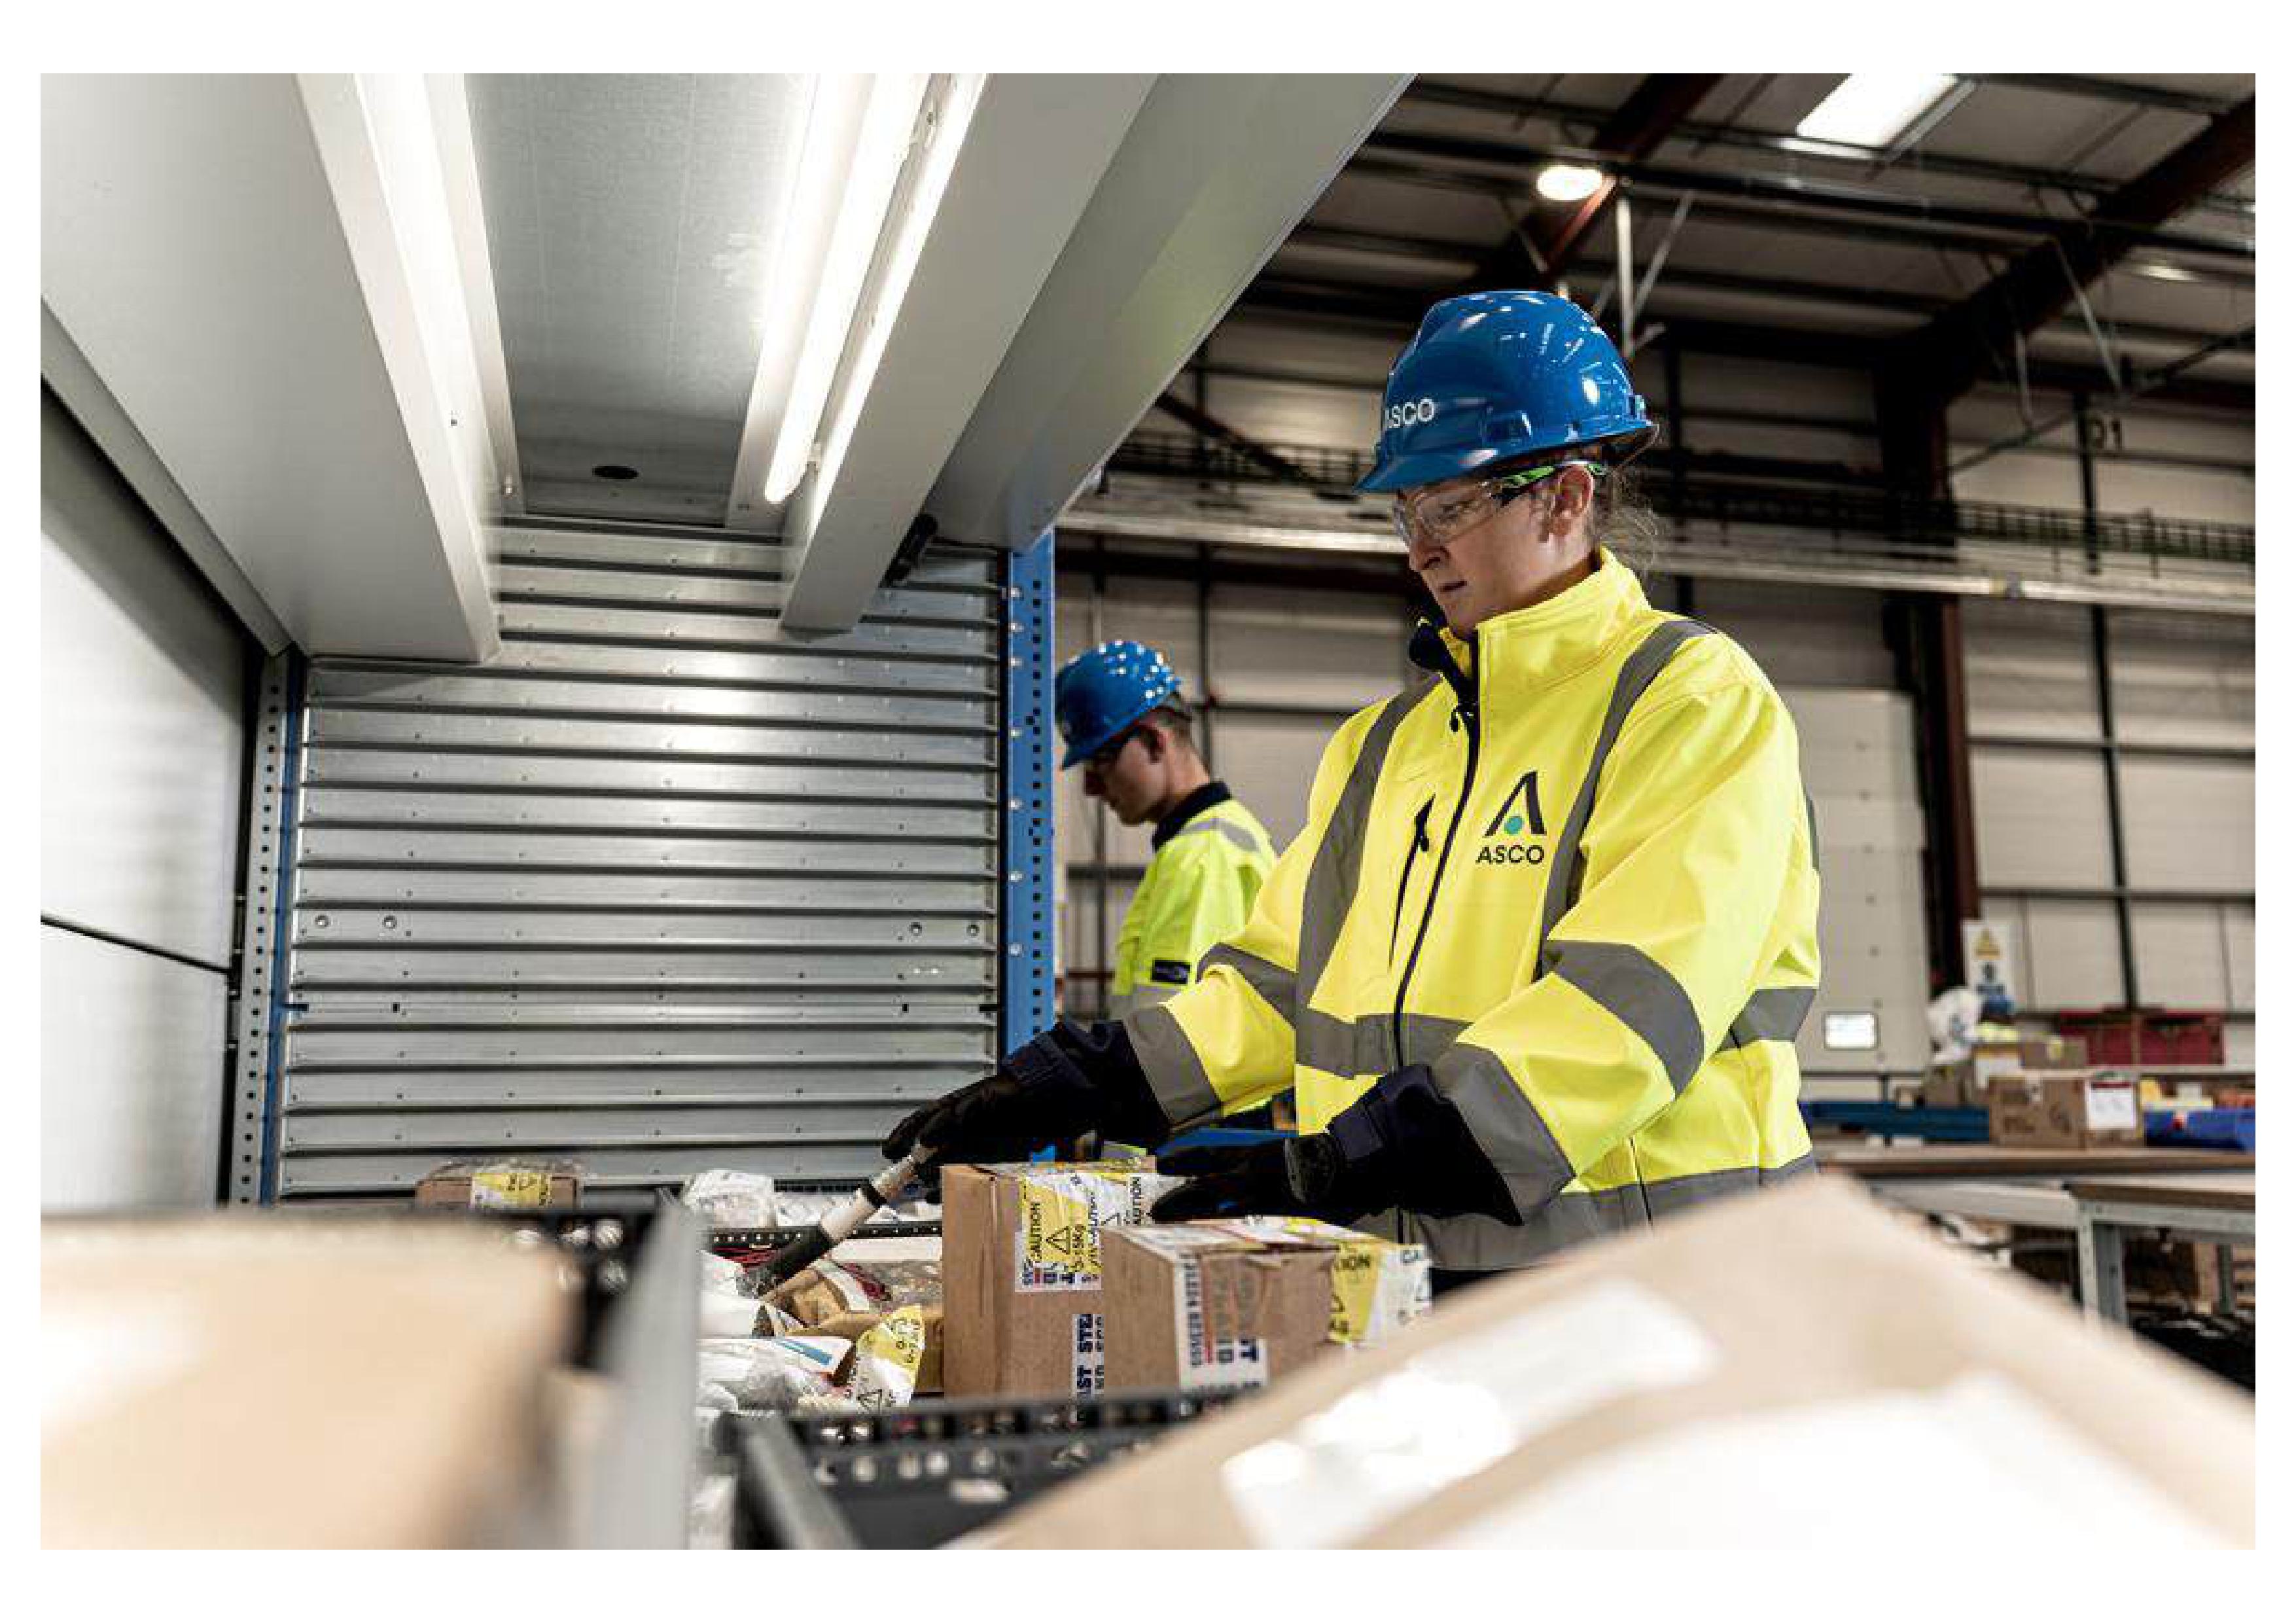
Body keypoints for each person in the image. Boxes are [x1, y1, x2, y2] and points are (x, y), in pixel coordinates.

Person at [886, 291, 1822, 1287]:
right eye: (1406, 511)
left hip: (1653, 1279)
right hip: (1414, 1269)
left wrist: (1359, 1157)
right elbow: (1281, 986)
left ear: (1564, 497)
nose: (1419, 547)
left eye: (1450, 506)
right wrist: (1093, 1076)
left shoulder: (1685, 700)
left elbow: (1627, 1007)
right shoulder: (1383, 748)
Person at [1055, 640, 1276, 1018]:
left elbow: (1172, 1036)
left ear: (1154, 742)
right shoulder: (1207, 841)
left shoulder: (1204, 856)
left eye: (1100, 760)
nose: (1091, 787)